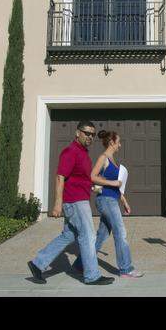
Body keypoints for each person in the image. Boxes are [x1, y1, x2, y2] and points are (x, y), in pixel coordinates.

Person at [26, 120, 115, 285]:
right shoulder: (70, 152)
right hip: (75, 202)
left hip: (78, 199)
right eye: (86, 133)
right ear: (77, 132)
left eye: (92, 134)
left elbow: (80, 179)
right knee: (88, 236)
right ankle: (92, 275)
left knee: (68, 235)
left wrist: (95, 187)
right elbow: (60, 177)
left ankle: (38, 264)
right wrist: (57, 203)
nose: (90, 136)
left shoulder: (83, 154)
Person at [77, 130, 144, 278]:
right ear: (112, 142)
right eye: (118, 141)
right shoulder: (104, 158)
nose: (120, 145)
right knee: (121, 233)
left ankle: (81, 264)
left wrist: (124, 200)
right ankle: (126, 269)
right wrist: (111, 182)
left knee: (101, 235)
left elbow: (117, 186)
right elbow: (92, 176)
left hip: (112, 199)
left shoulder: (113, 160)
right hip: (106, 200)